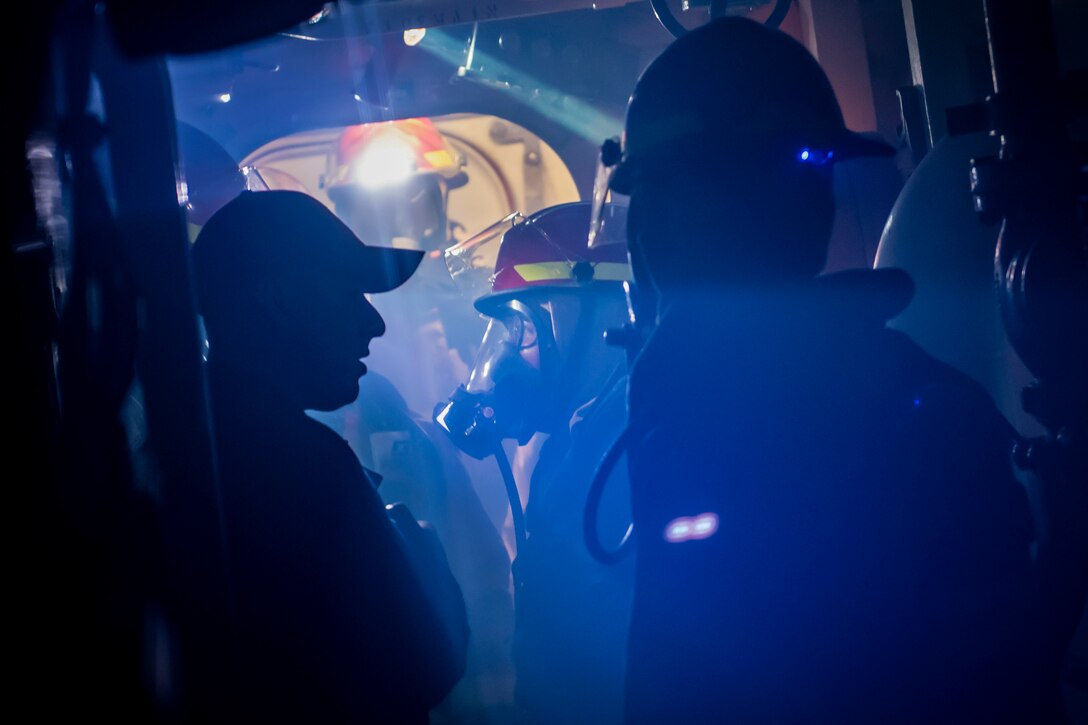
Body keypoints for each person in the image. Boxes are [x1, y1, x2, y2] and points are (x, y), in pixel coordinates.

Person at [597, 16, 1064, 724]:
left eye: (647, 202)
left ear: (658, 225)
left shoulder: (696, 403)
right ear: (813, 204)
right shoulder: (925, 405)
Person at [190, 189, 469, 724]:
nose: (374, 324)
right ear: (279, 300)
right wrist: (415, 541)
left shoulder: (199, 442)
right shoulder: (301, 467)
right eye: (348, 294)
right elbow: (427, 660)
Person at [435, 201, 636, 725]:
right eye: (506, 333)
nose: (505, 359)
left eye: (524, 329)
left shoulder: (636, 445)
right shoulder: (570, 441)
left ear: (608, 316)